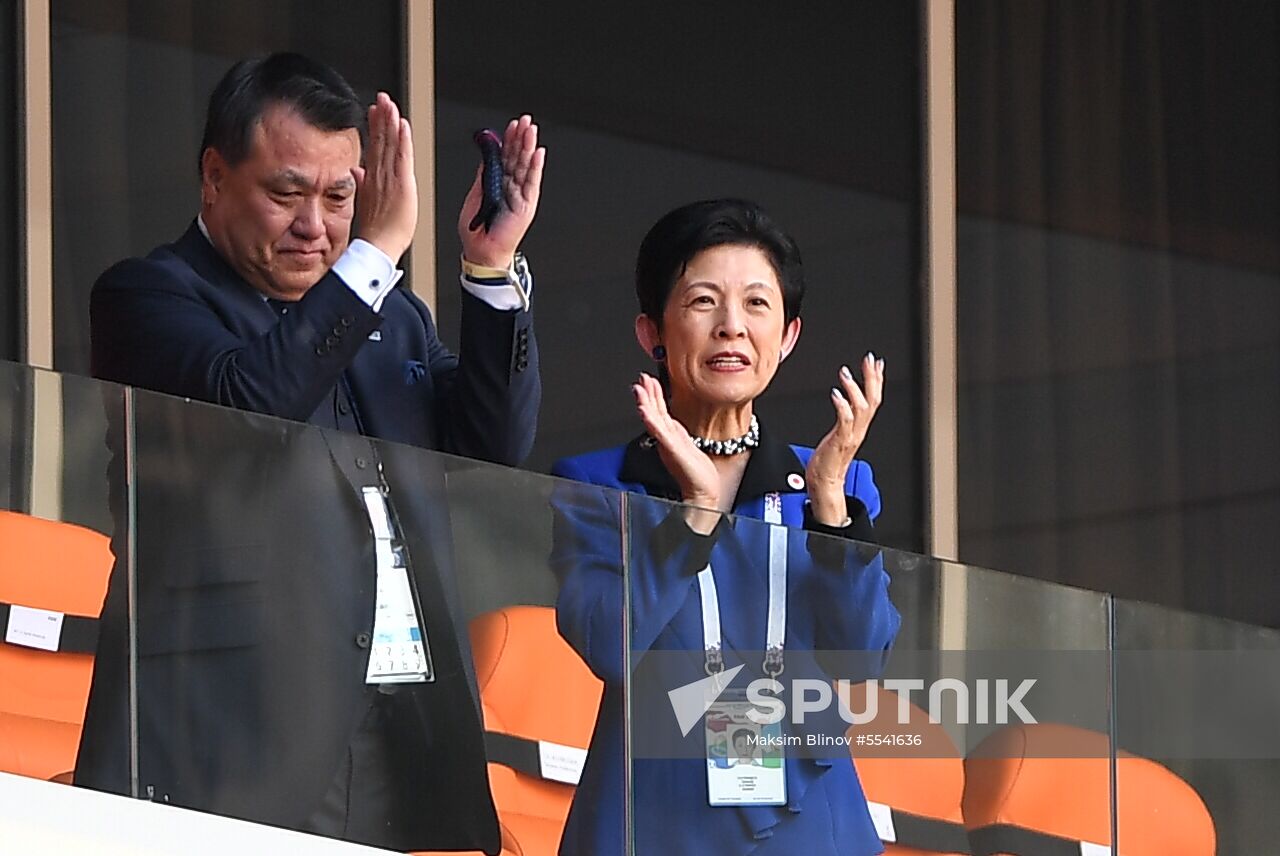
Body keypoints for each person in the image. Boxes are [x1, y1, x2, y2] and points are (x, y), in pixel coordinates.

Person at [75, 52, 544, 854]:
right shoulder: (146, 296)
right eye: (286, 193)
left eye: (340, 197)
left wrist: (489, 267)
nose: (317, 225)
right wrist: (380, 246)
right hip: (233, 735)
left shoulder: (390, 316)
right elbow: (247, 409)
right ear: (214, 177)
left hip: (405, 726)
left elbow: (491, 446)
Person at [550, 199, 900, 855]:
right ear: (652, 331)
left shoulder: (839, 483)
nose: (731, 327)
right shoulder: (599, 484)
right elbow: (606, 643)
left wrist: (827, 499)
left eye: (757, 305)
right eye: (703, 302)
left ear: (788, 336)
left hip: (813, 830)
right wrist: (697, 514)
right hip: (651, 820)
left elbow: (861, 656)